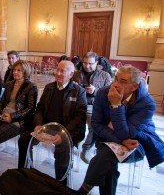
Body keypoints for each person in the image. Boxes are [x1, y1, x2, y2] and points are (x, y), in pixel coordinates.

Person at [78, 66, 164, 195]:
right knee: (108, 161)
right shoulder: (103, 93)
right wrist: (119, 140)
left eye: (123, 81)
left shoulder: (147, 103)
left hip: (136, 143)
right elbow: (96, 125)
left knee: (106, 155)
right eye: (116, 79)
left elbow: (128, 135)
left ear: (134, 87)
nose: (116, 84)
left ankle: (83, 190)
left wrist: (116, 105)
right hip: (107, 139)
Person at [19, 61, 87, 180]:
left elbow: (79, 118)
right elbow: (39, 109)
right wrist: (38, 125)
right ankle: (24, 174)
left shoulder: (78, 91)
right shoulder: (49, 87)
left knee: (62, 149)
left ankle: (61, 183)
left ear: (71, 75)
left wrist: (64, 134)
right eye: (57, 70)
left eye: (62, 71)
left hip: (68, 130)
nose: (58, 73)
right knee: (24, 139)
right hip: (47, 127)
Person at [0, 60, 38, 168]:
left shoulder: (31, 87)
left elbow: (30, 109)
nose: (15, 72)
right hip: (3, 116)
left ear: (25, 72)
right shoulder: (9, 84)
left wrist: (12, 117)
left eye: (19, 70)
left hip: (19, 120)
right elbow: (2, 102)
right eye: (14, 70)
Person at [72, 52, 112, 164]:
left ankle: (86, 148)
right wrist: (77, 88)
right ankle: (71, 144)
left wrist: (96, 91)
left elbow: (110, 94)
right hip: (77, 104)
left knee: (94, 127)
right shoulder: (76, 74)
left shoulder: (105, 75)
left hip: (93, 106)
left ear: (96, 63)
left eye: (90, 63)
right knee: (70, 122)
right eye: (85, 63)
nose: (87, 66)